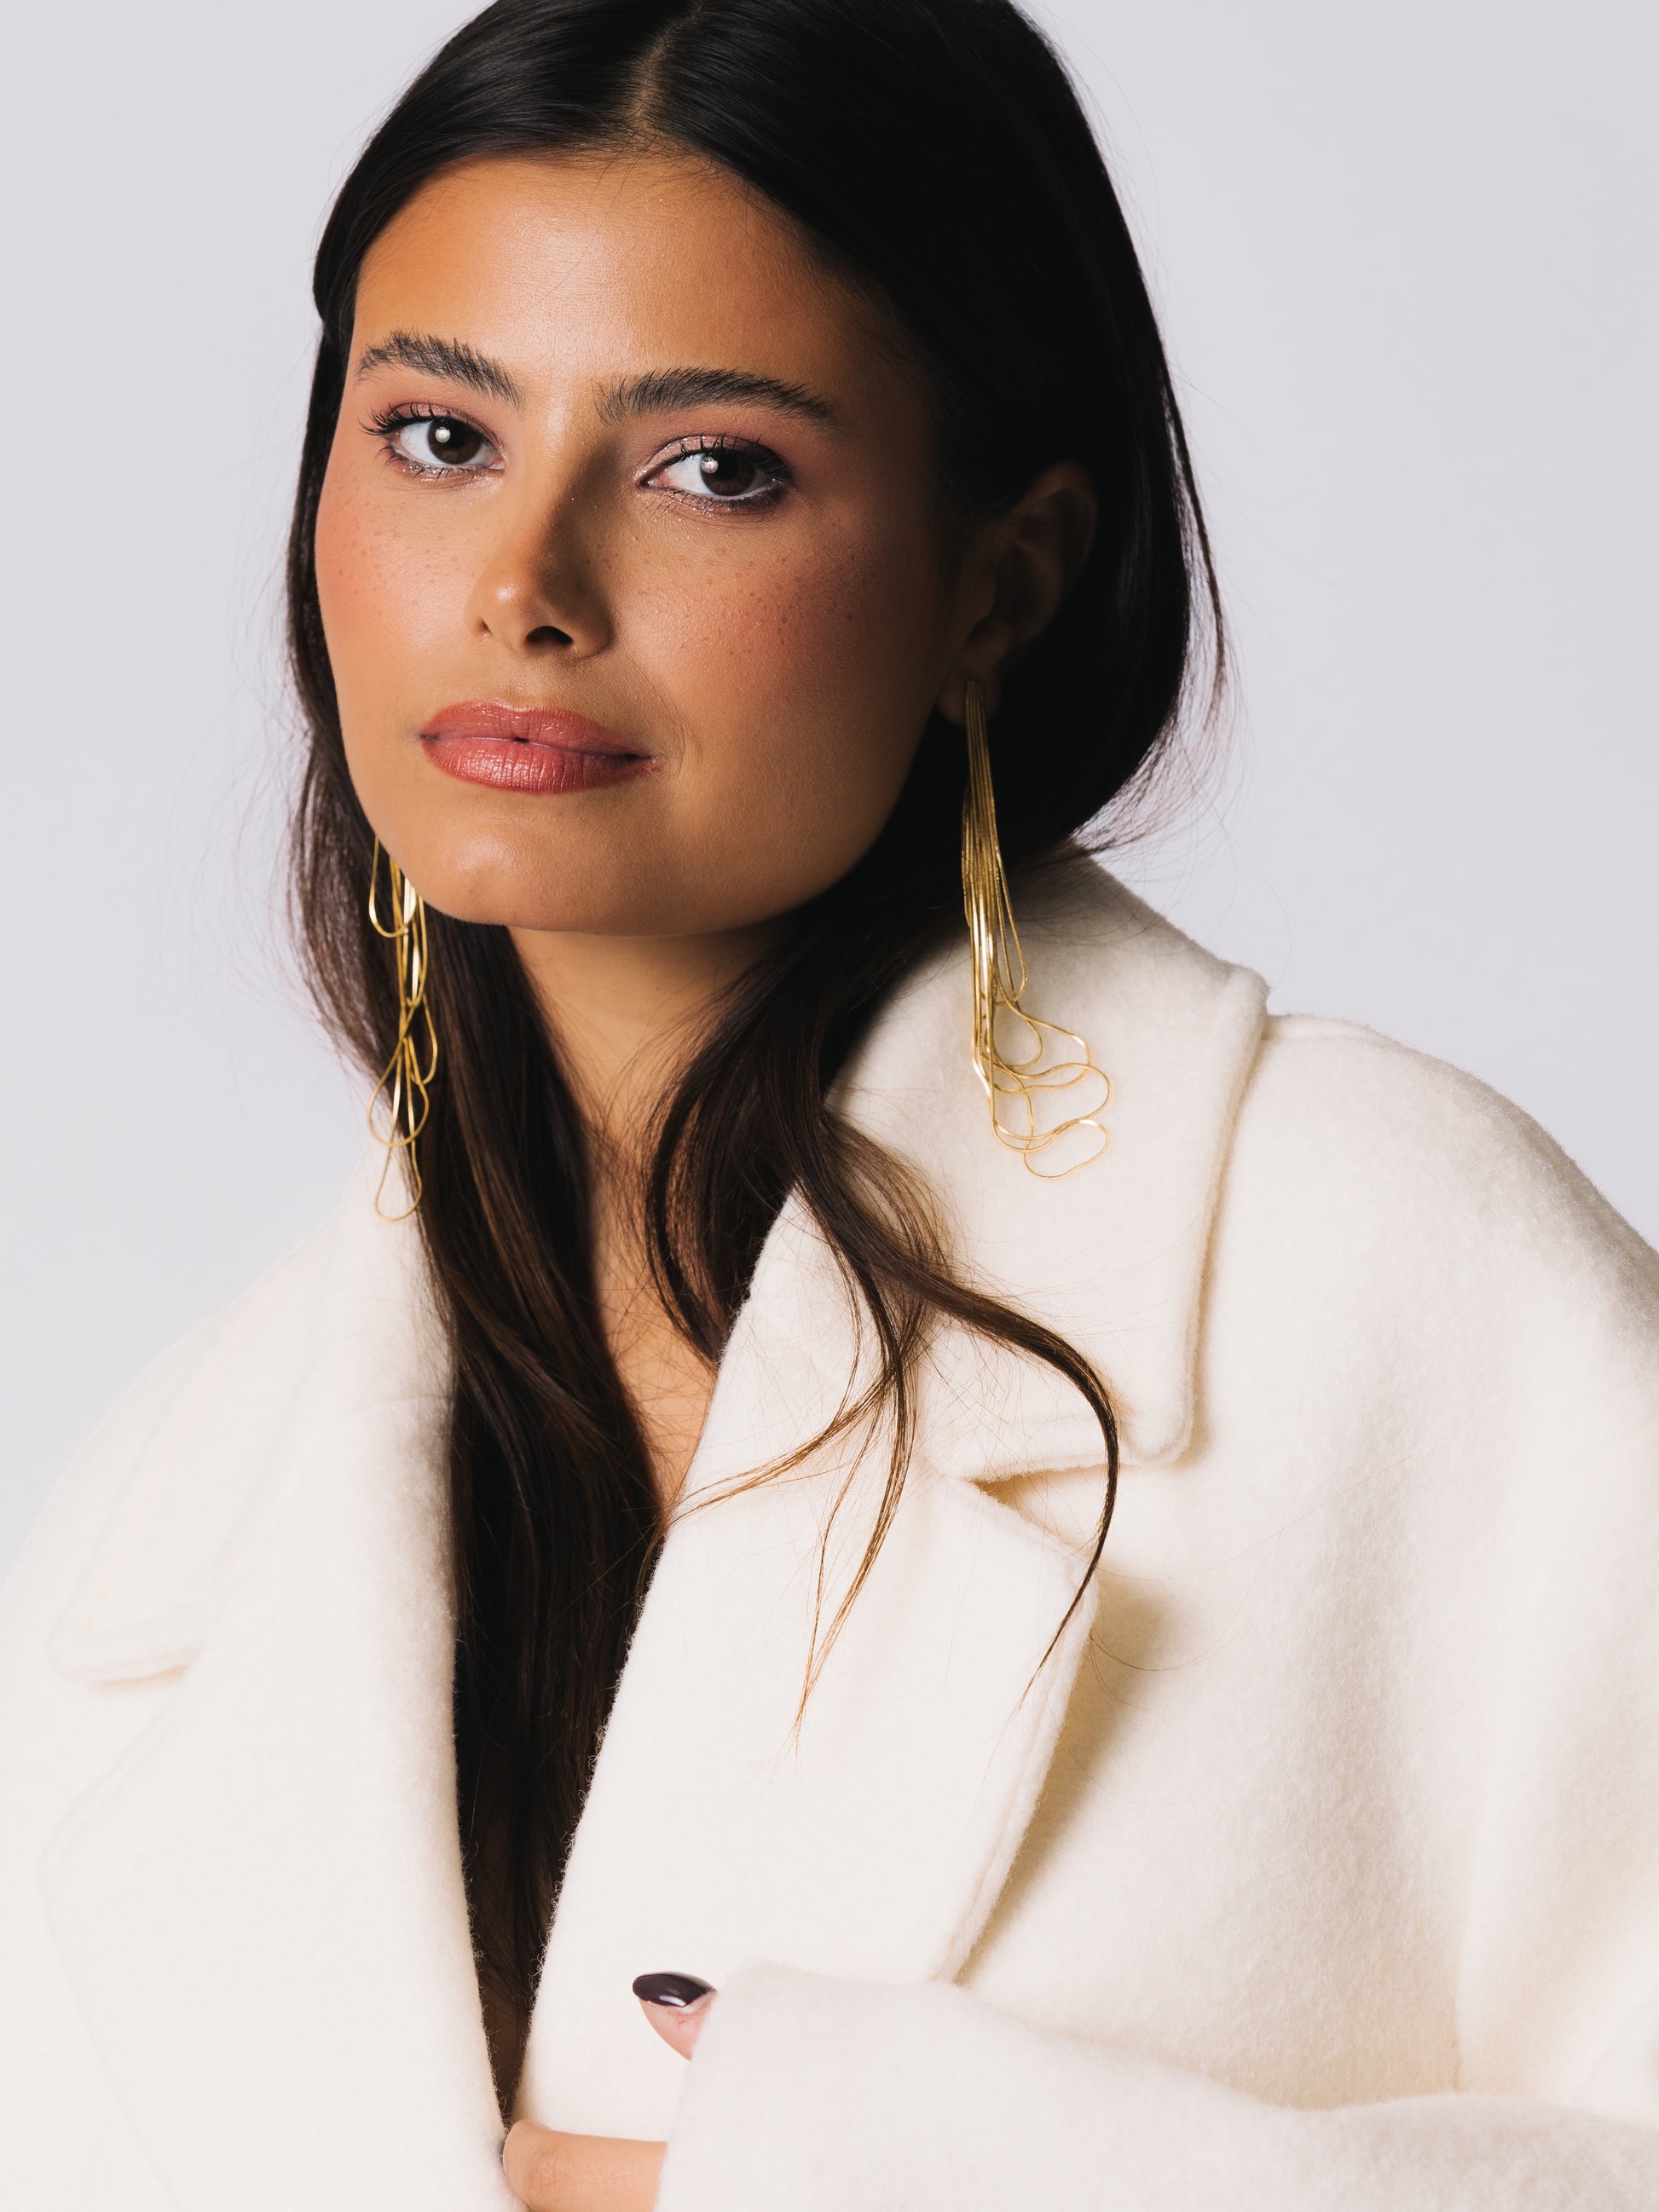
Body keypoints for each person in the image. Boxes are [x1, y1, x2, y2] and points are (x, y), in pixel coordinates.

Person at [5, 1, 1659, 2206]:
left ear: (1002, 580)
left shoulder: (1396, 1280)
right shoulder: (155, 1542)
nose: (521, 588)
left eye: (714, 467)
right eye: (436, 434)